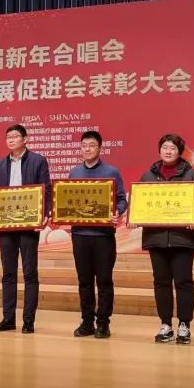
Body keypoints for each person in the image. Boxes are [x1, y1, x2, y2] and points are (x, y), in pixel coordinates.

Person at [139, 133, 194, 345]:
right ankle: (166, 325)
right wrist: (136, 216)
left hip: (183, 238)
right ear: (159, 150)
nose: (168, 151)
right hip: (156, 238)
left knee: (183, 282)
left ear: (179, 152)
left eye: (173, 148)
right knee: (161, 282)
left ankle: (184, 325)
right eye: (165, 147)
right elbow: (140, 202)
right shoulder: (148, 175)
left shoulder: (191, 174)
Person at [0, 124, 51, 334]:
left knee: (30, 273)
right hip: (6, 224)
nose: (11, 140)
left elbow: (46, 189)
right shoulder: (0, 164)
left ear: (25, 139)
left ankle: (28, 321)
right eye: (8, 137)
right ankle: (8, 319)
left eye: (15, 136)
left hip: (29, 224)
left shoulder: (38, 160)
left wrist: (45, 213)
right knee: (8, 273)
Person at [67, 130, 127, 339]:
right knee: (84, 281)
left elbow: (122, 199)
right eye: (84, 145)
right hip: (80, 234)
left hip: (103, 236)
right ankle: (87, 322)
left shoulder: (111, 172)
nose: (87, 149)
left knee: (104, 280)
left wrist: (117, 212)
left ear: (100, 148)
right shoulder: (74, 173)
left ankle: (103, 322)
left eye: (92, 145)